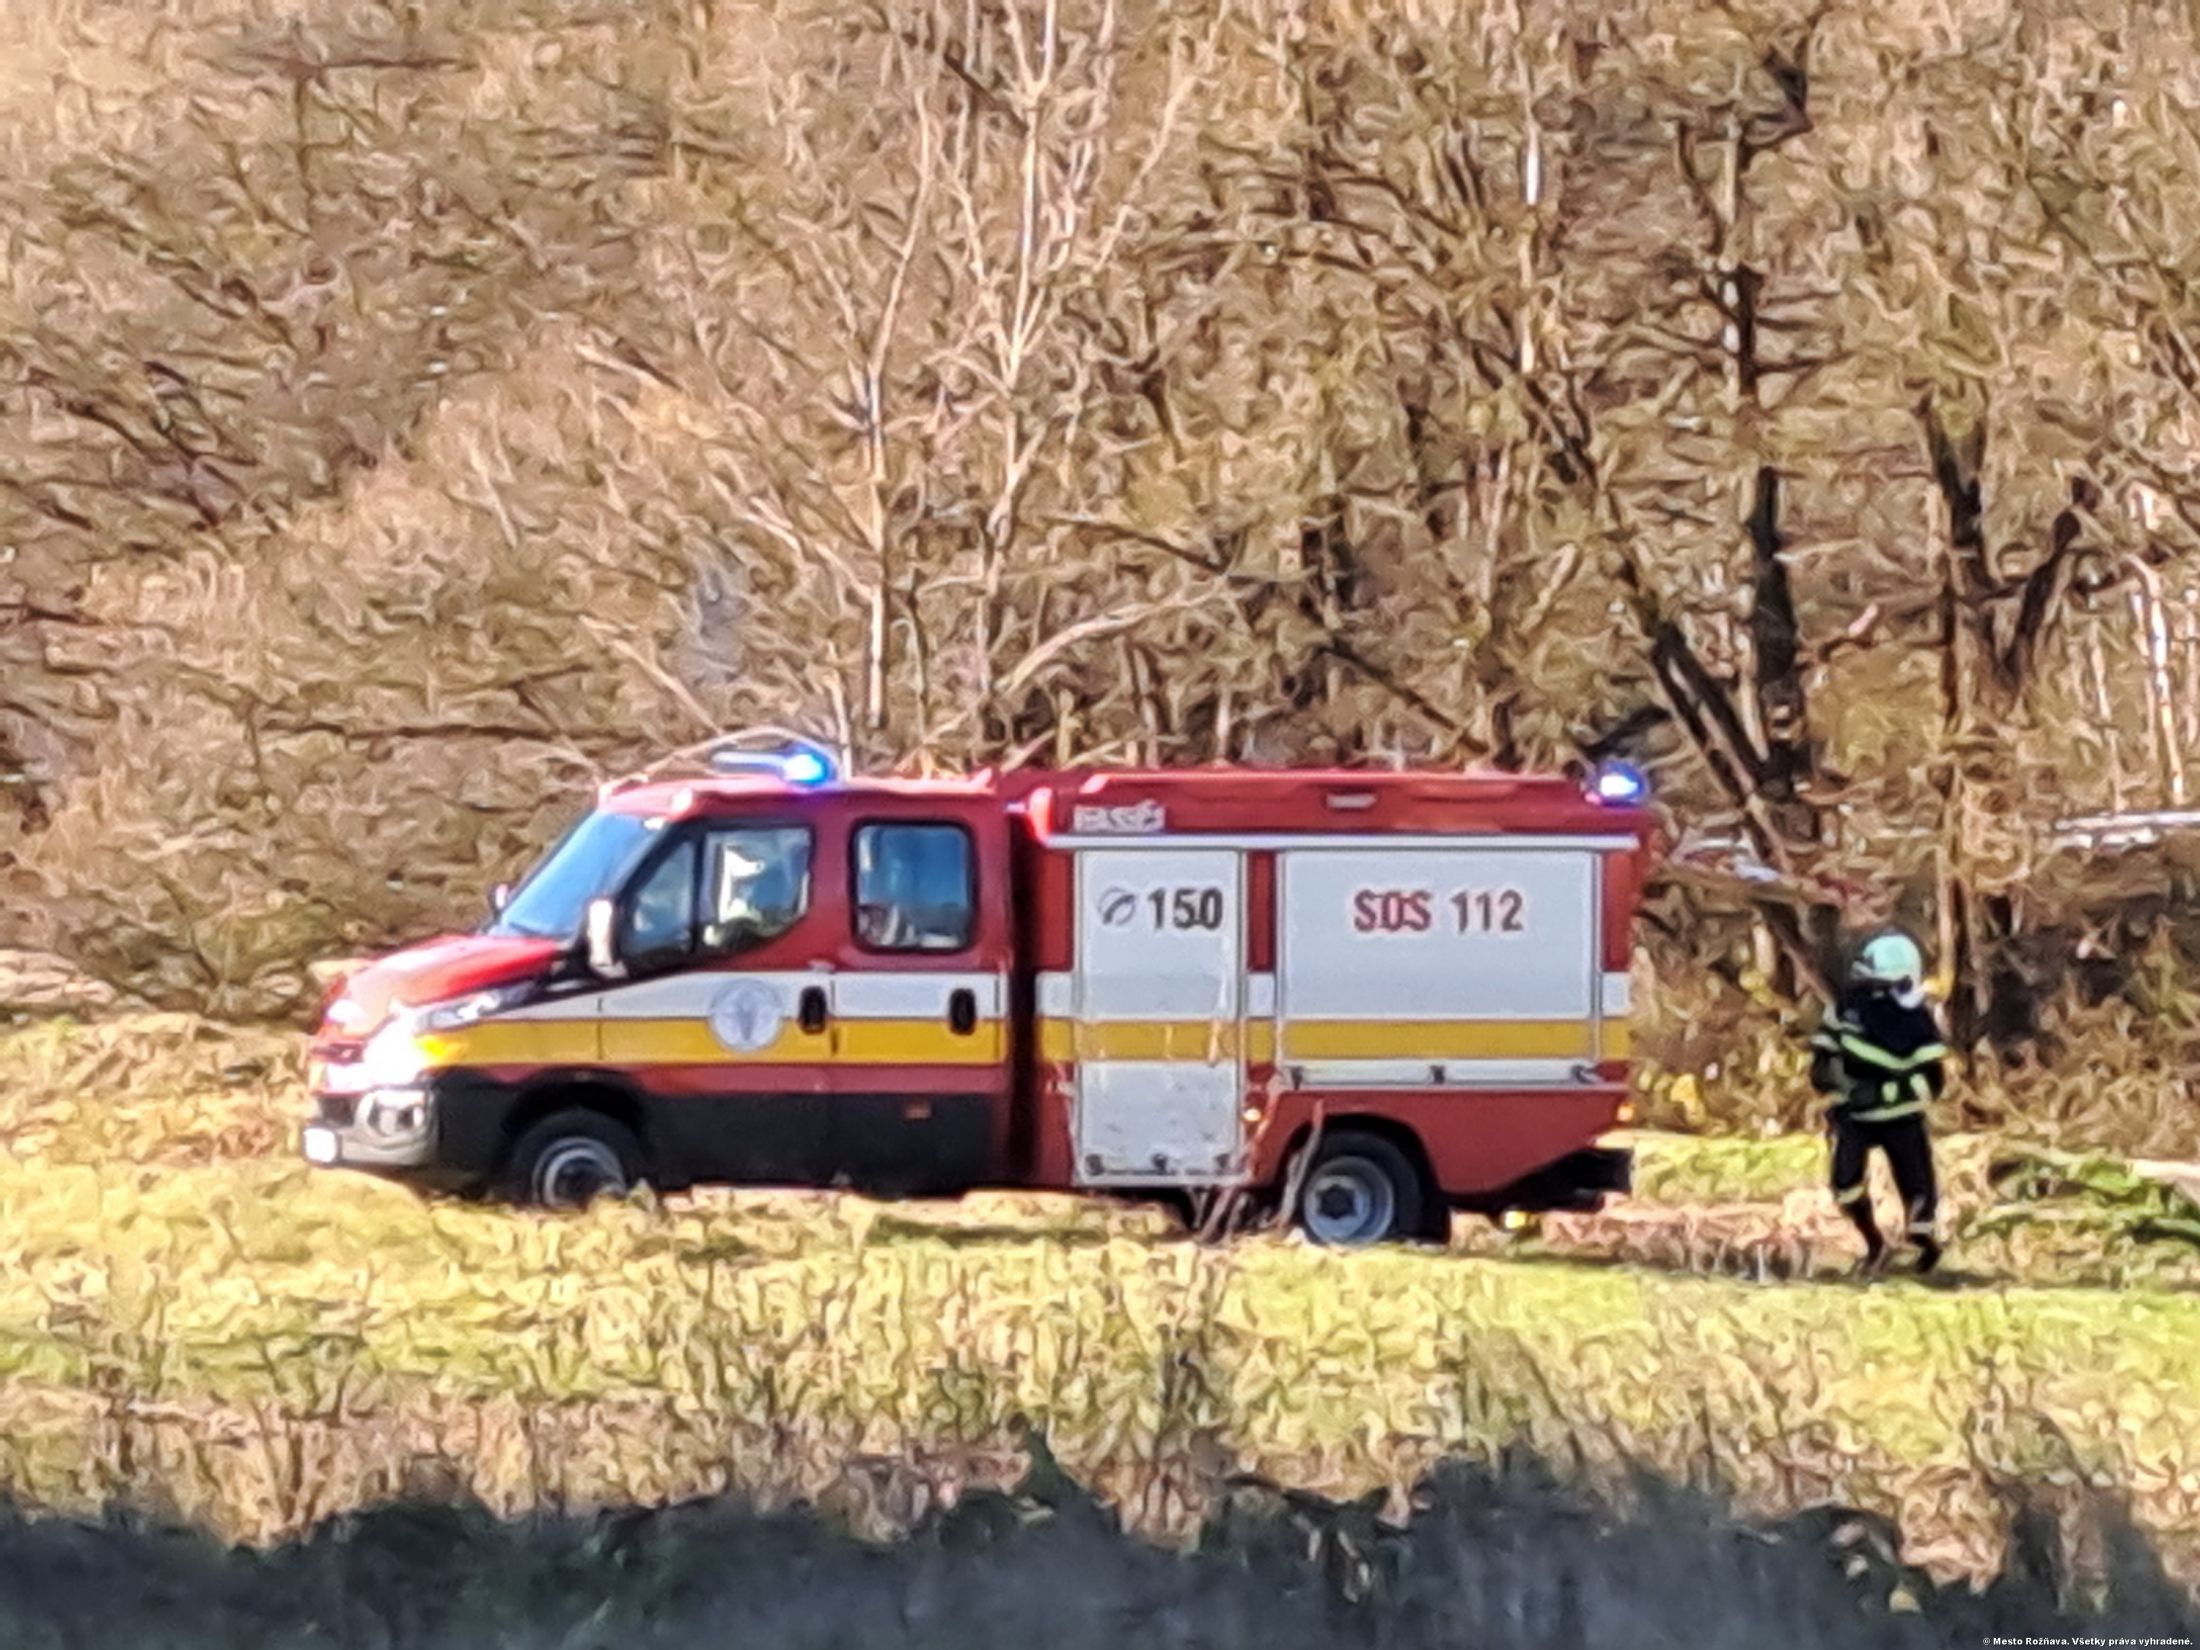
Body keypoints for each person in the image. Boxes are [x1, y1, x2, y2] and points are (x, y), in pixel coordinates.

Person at [1808, 929, 1950, 1275]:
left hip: (1902, 1121)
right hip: (1854, 1117)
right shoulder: (1845, 1009)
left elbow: (1932, 1082)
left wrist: (1885, 1094)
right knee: (1845, 1183)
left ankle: (1923, 1248)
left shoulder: (1916, 1023)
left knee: (1917, 1185)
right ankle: (1873, 1243)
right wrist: (1839, 1083)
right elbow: (1822, 1064)